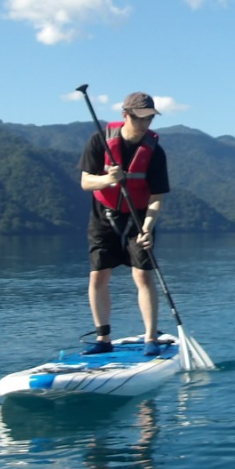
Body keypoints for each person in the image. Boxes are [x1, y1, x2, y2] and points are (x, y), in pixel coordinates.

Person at [78, 92, 170, 355]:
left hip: (139, 214)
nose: (145, 124)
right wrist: (108, 179)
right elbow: (86, 182)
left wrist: (148, 228)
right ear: (125, 115)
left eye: (150, 119)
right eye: (140, 119)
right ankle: (103, 339)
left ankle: (151, 338)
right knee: (98, 275)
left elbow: (156, 197)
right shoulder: (99, 141)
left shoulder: (155, 152)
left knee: (142, 274)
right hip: (103, 213)